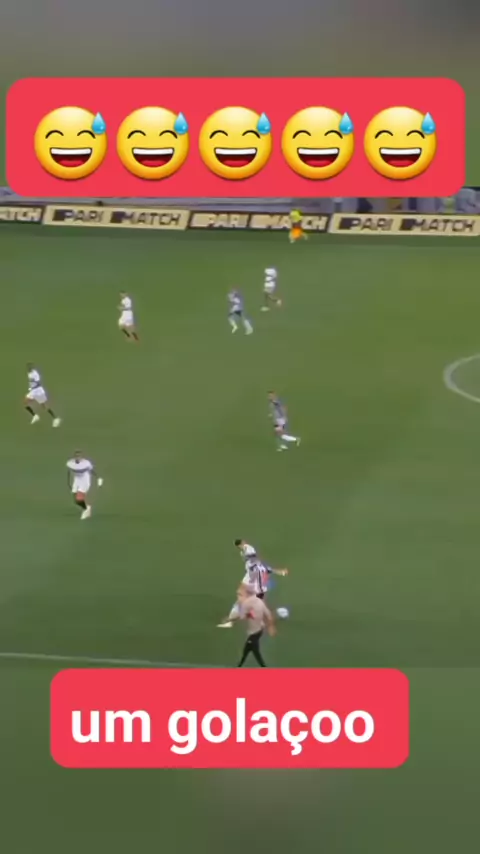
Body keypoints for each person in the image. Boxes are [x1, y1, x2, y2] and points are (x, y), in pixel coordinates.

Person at [233, 584, 276, 667]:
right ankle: (240, 665)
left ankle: (262, 667)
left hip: (255, 632)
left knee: (253, 650)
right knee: (247, 650)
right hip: (259, 630)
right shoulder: (259, 602)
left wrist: (234, 618)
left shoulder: (246, 604)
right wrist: (271, 626)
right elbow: (268, 614)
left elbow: (242, 617)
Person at [66, 450, 103, 520]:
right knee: (76, 501)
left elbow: (91, 471)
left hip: (85, 480)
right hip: (77, 480)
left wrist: (98, 478)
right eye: (76, 456)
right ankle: (87, 507)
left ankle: (86, 509)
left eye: (79, 456)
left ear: (82, 457)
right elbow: (69, 472)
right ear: (74, 457)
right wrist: (68, 483)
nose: (78, 457)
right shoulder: (70, 463)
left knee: (79, 499)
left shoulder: (86, 463)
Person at [24, 363, 61, 427]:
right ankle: (35, 416)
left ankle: (55, 419)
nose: (28, 369)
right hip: (33, 391)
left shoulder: (35, 374)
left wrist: (32, 387)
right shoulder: (29, 373)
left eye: (30, 368)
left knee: (44, 406)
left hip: (38, 391)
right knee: (25, 402)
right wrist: (31, 388)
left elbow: (38, 383)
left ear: (32, 368)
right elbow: (31, 382)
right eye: (28, 368)